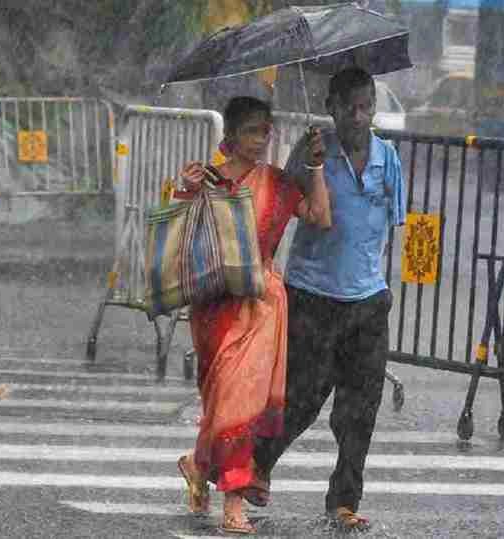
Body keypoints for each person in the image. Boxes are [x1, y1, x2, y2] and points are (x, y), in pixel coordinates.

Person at [252, 66, 406, 531]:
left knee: (360, 410)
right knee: (301, 398)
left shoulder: (388, 159)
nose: (358, 117)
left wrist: (379, 286)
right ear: (331, 108)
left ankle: (343, 500)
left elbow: (391, 225)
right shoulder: (311, 151)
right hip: (312, 296)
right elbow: (281, 207)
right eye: (349, 108)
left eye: (366, 107)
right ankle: (257, 464)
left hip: (368, 301)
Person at [174, 96, 331, 534]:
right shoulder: (208, 180)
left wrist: (316, 166)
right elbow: (182, 239)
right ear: (230, 136)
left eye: (265, 130)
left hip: (260, 306)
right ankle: (199, 464)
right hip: (214, 307)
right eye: (250, 131)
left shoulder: (278, 185)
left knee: (239, 406)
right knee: (223, 403)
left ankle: (233, 502)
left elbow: (320, 216)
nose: (260, 139)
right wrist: (184, 191)